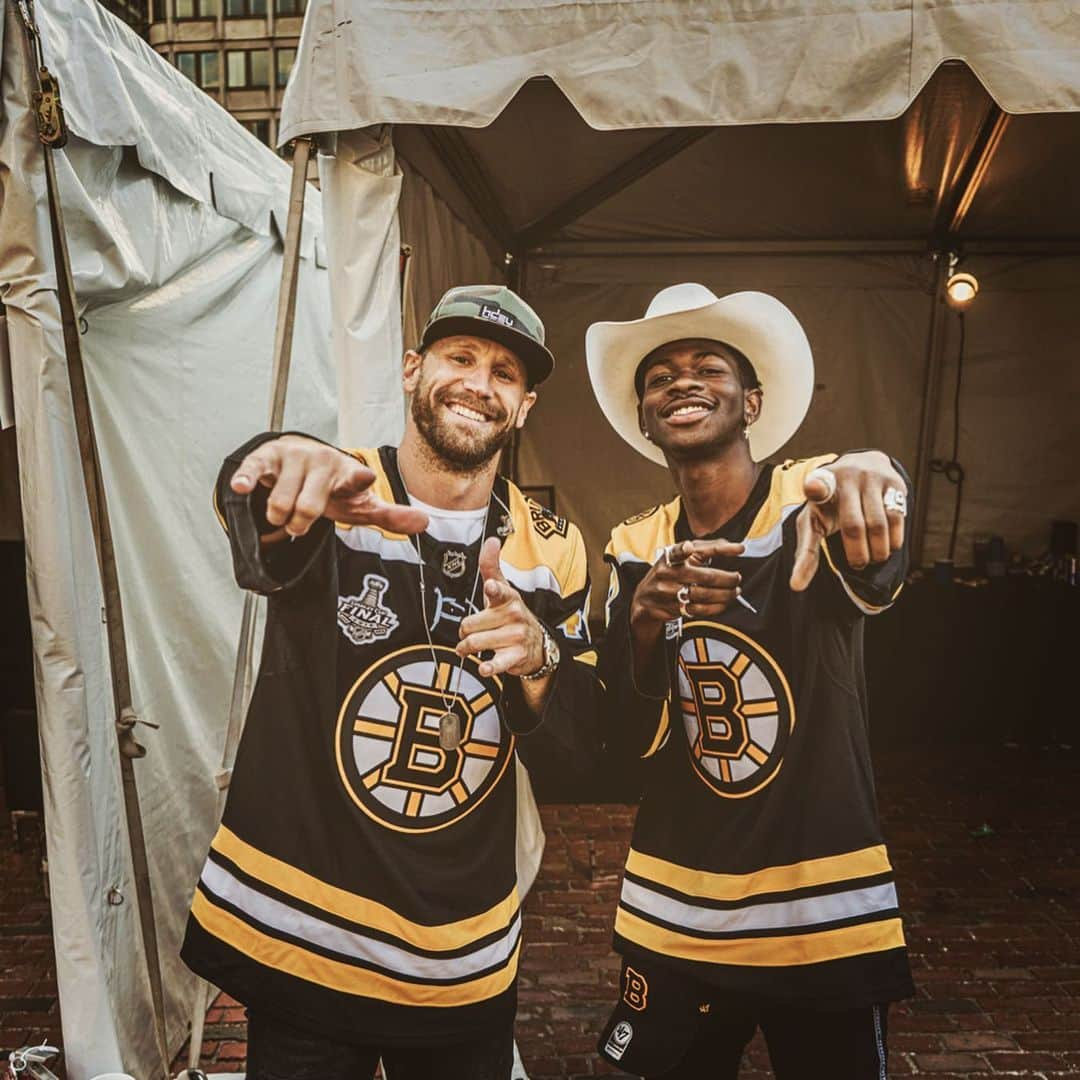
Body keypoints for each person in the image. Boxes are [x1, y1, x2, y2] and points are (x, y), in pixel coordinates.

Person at [182, 286, 600, 1080]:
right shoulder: (345, 492)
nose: (481, 381)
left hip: (461, 955)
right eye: (461, 357)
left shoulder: (555, 546)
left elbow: (581, 746)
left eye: (505, 372)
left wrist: (541, 659)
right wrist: (271, 459)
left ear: (526, 403)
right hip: (305, 938)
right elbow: (261, 519)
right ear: (413, 369)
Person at [587, 284, 914, 1079]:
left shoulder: (808, 499)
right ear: (644, 416)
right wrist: (640, 624)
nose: (683, 382)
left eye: (709, 367)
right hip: (676, 900)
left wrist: (877, 472)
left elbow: (865, 523)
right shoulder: (633, 545)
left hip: (819, 897)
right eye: (659, 376)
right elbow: (620, 741)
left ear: (752, 401)